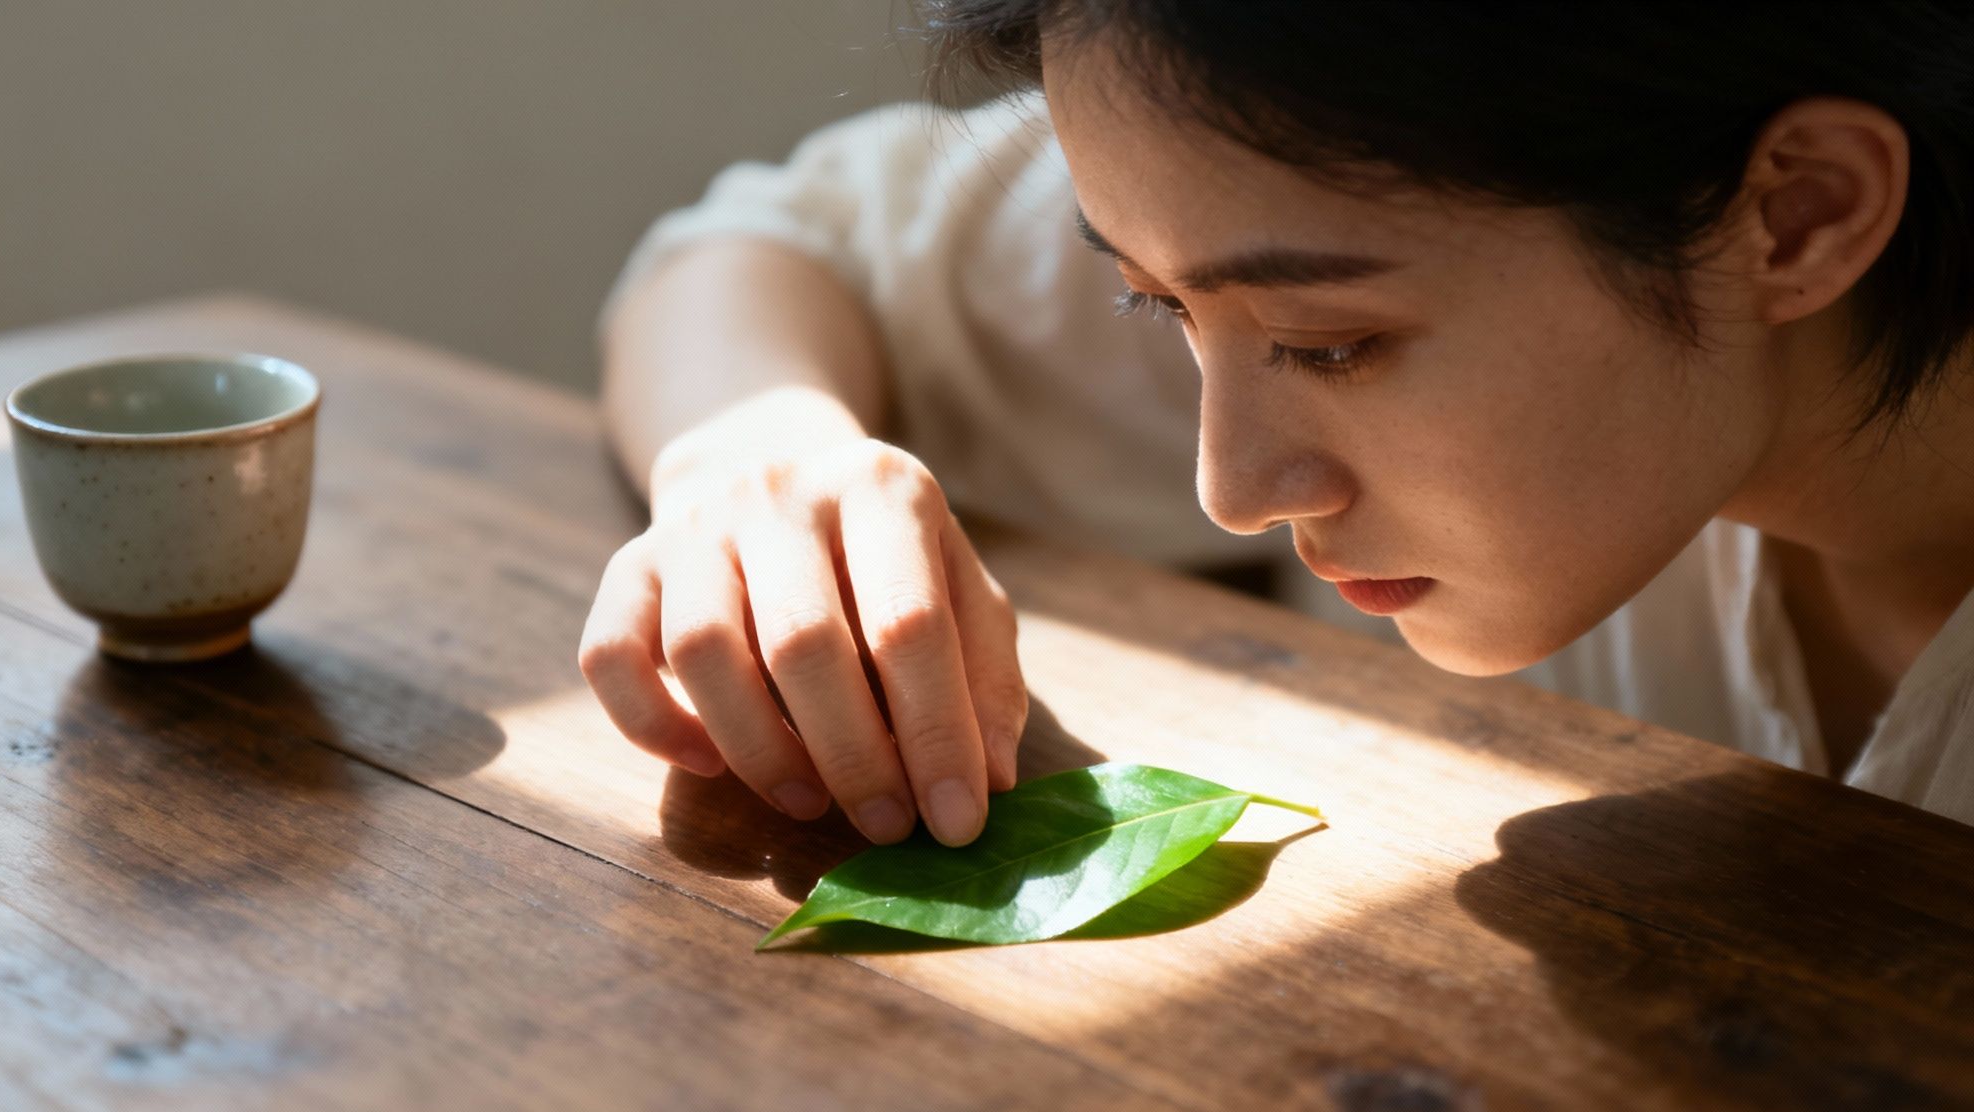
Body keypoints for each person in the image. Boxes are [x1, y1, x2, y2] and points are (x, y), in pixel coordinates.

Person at [579, 1, 1974, 846]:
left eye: (1332, 347)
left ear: (1799, 214)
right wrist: (760, 459)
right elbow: (773, 247)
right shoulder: (1284, 197)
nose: (1233, 487)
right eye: (1155, 310)